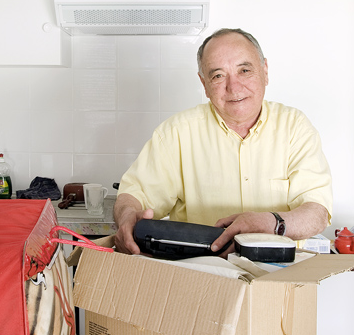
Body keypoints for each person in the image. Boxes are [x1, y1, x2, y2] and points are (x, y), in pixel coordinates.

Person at [113, 28, 332, 257]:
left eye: (245, 70)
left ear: (265, 71)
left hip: (280, 276)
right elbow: (134, 194)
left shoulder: (294, 126)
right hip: (201, 277)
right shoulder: (176, 133)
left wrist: (268, 222)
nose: (234, 87)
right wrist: (127, 215)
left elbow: (316, 212)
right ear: (204, 83)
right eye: (218, 75)